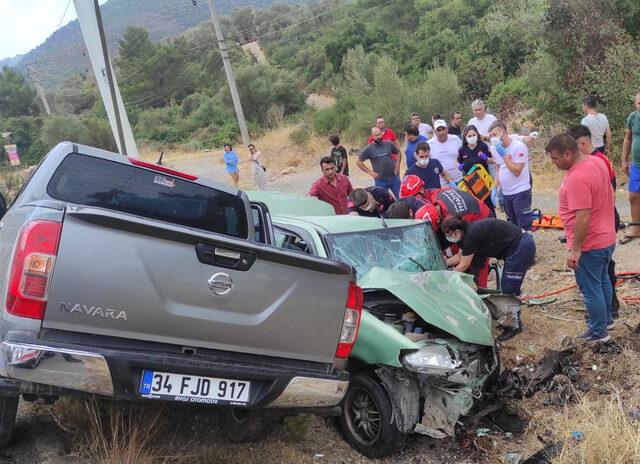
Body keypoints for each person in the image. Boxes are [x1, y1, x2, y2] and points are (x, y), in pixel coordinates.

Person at [546, 134, 616, 343]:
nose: (554, 163)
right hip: (606, 236)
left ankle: (598, 332)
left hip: (590, 243)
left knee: (590, 287)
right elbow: (610, 193)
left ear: (568, 153)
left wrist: (576, 249)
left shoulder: (578, 177)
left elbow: (583, 216)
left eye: (556, 159)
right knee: (602, 280)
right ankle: (607, 320)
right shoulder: (596, 161)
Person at [441, 216, 536, 341]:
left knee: (509, 288)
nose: (448, 238)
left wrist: (446, 277)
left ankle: (515, 325)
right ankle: (510, 319)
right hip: (516, 245)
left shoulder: (470, 235)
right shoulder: (466, 234)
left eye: (448, 234)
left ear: (457, 232)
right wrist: (444, 263)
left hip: (520, 246)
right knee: (507, 285)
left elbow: (463, 265)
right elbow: (460, 257)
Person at [568, 125, 620, 317]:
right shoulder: (597, 160)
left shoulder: (597, 161)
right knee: (601, 271)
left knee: (602, 271)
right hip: (602, 219)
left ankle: (608, 310)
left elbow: (611, 193)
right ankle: (605, 310)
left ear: (582, 144)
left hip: (601, 221)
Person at [488, 120, 533, 230]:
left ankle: (527, 245)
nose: (493, 138)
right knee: (513, 226)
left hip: (520, 191)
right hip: (506, 192)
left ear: (503, 132)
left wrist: (504, 155)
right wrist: (495, 188)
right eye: (490, 136)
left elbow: (517, 171)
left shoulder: (519, 146)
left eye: (494, 134)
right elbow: (499, 167)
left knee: (524, 226)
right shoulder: (494, 148)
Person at [458, 124, 494, 212]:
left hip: (483, 180)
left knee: (488, 204)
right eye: (469, 136)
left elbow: (493, 160)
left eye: (474, 135)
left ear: (477, 135)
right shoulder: (462, 149)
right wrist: (460, 167)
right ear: (465, 137)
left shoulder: (483, 146)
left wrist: (486, 158)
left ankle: (493, 222)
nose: (472, 137)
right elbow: (460, 162)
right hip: (470, 182)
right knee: (475, 206)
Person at [358, 127, 402, 197]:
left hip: (394, 177)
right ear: (372, 136)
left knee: (402, 198)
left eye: (379, 134)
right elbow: (358, 162)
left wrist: (397, 165)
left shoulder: (389, 144)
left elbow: (398, 152)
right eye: (376, 135)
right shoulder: (369, 148)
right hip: (380, 181)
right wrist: (370, 172)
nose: (378, 137)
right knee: (384, 201)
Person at [621, 91, 640, 244]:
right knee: (633, 196)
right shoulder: (633, 117)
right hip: (636, 166)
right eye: (639, 102)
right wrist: (624, 160)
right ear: (636, 103)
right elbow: (628, 139)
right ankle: (636, 227)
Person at [428, 120, 463, 186]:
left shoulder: (455, 139)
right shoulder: (429, 144)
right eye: (438, 130)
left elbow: (463, 154)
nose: (441, 132)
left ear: (447, 129)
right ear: (435, 131)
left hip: (459, 179)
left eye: (443, 129)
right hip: (442, 183)